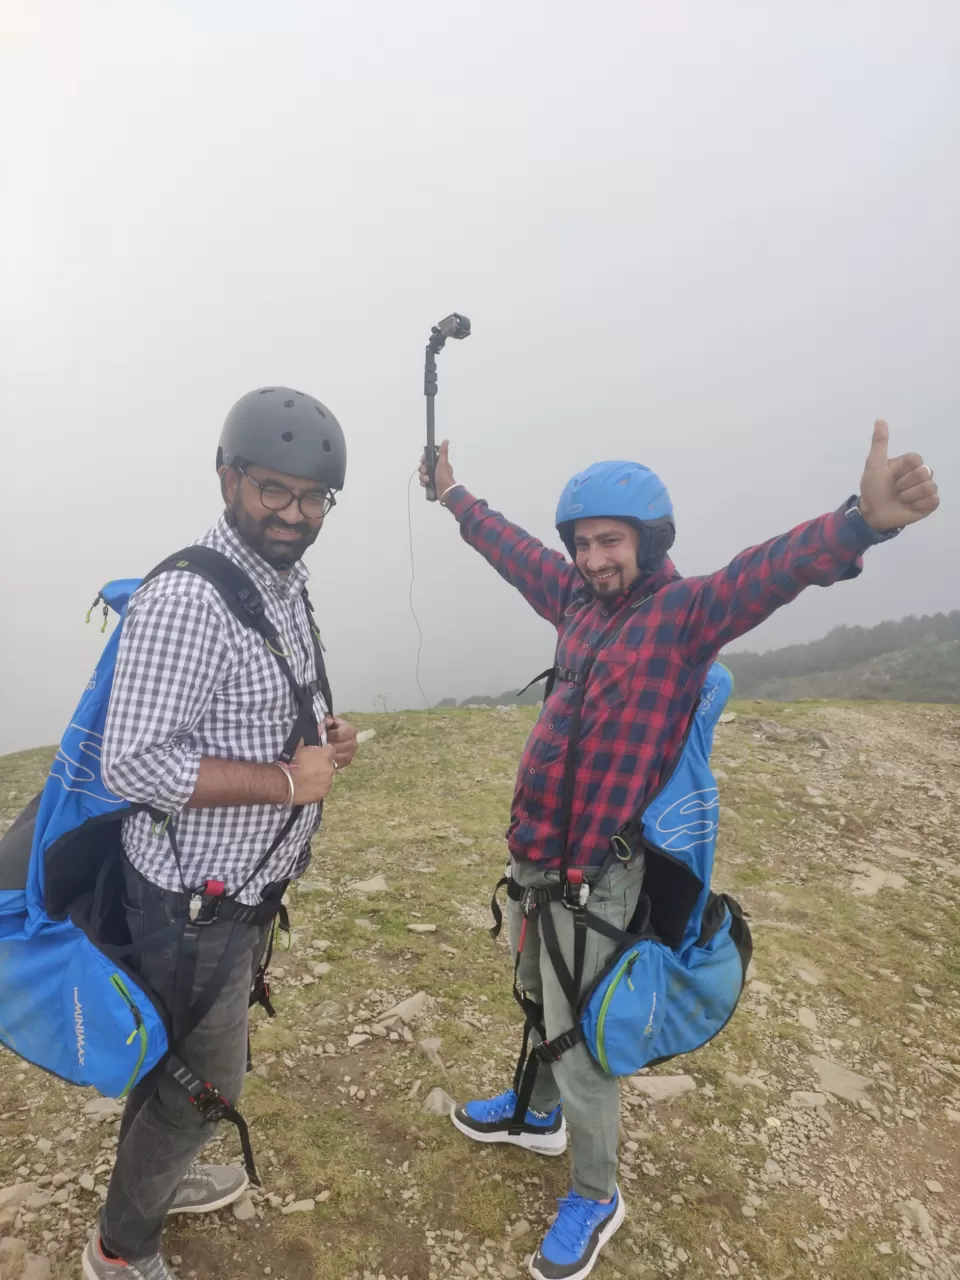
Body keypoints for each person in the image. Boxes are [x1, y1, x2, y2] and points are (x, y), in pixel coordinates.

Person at [419, 421, 938, 1280]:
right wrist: (454, 498)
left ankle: (595, 1192)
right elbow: (513, 552)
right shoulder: (577, 603)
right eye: (582, 543)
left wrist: (860, 522)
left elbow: (766, 573)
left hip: (600, 873)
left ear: (649, 542)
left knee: (584, 1035)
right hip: (537, 857)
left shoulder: (685, 615)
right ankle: (536, 1114)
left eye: (609, 542)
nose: (592, 559)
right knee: (535, 991)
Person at [83, 387, 359, 1280]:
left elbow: (250, 701)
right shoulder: (187, 601)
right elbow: (131, 763)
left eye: (313, 497)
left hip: (234, 896)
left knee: (173, 1067)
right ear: (228, 478)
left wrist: (319, 737)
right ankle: (122, 1251)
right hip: (189, 904)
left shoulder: (280, 577)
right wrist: (285, 781)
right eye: (274, 491)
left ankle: (148, 1190)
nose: (295, 514)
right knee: (206, 1089)